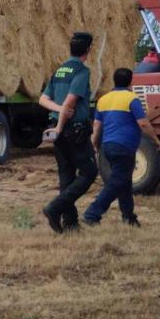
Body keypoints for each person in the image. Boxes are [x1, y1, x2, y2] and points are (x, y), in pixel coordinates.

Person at [83, 68, 160, 227]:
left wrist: (94, 145)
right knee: (116, 182)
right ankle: (92, 213)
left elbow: (97, 126)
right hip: (124, 146)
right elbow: (143, 123)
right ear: (130, 81)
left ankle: (129, 217)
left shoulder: (103, 99)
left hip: (108, 146)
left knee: (124, 182)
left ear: (114, 80)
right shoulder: (132, 99)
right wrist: (155, 139)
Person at [39, 32, 98, 234]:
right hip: (73, 130)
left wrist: (57, 112)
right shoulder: (81, 71)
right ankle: (54, 208)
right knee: (89, 172)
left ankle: (70, 223)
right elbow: (70, 101)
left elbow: (43, 100)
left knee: (67, 176)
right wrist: (60, 124)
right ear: (88, 50)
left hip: (60, 131)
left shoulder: (60, 70)